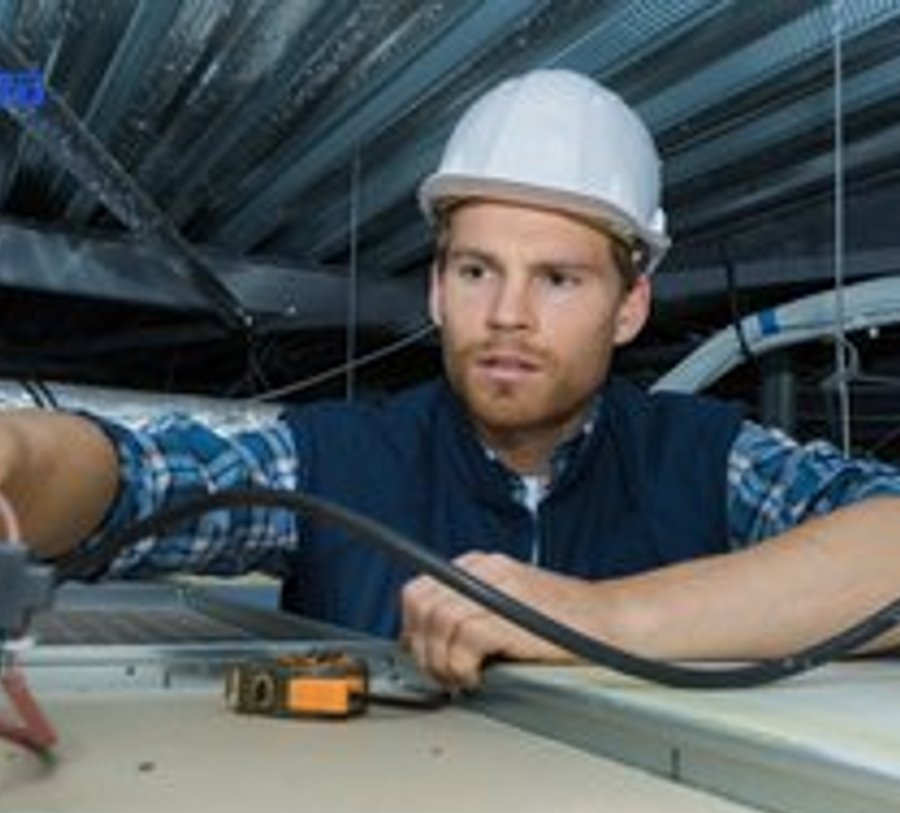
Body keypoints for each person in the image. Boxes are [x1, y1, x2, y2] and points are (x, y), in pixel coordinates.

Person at [1, 69, 899, 691]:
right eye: (476, 271)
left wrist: (598, 617)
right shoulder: (335, 460)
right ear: (437, 288)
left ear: (629, 307)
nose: (507, 313)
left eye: (558, 280)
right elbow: (139, 481)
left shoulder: (704, 457)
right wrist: (18, 456)